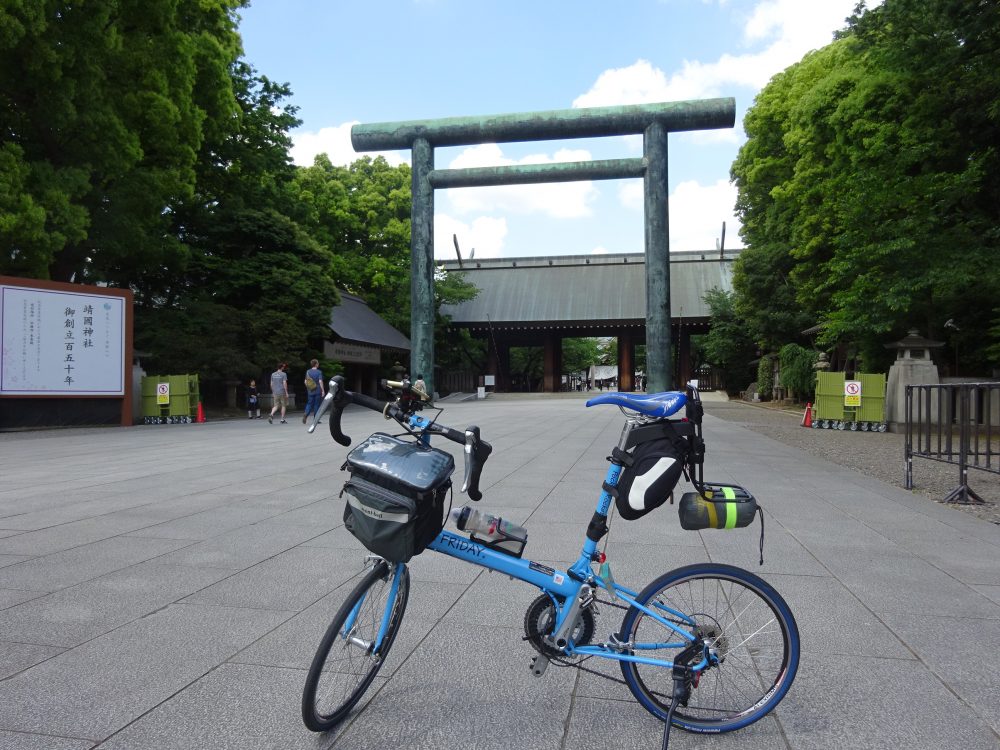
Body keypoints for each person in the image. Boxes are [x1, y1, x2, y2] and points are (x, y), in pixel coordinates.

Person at [302, 359, 325, 424]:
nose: (318, 364)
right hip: (317, 390)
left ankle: (306, 413)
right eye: (318, 363)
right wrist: (323, 390)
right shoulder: (319, 372)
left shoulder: (308, 371)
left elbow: (305, 381)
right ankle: (316, 419)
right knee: (316, 404)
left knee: (309, 403)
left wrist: (309, 387)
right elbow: (320, 381)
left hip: (310, 390)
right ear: (316, 364)